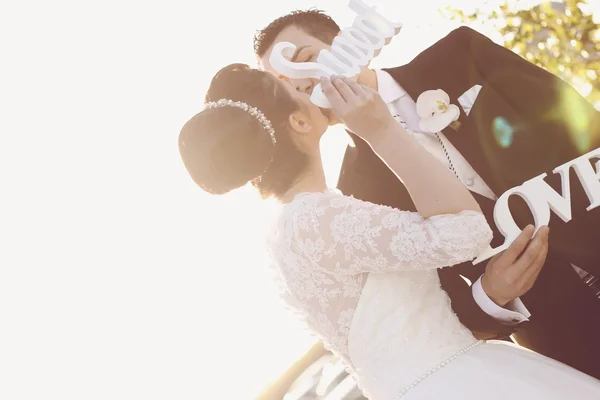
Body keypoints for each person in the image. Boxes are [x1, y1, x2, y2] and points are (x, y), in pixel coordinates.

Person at [178, 64, 600, 399]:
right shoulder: (314, 220)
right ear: (300, 124)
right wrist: (380, 129)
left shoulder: (287, 229)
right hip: (461, 383)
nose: (311, 88)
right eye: (298, 92)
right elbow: (464, 231)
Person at [253, 9, 600, 378]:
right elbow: (442, 309)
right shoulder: (356, 195)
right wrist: (492, 294)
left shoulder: (459, 54)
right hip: (565, 338)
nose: (300, 82)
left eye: (305, 59)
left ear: (344, 42)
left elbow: (577, 120)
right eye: (283, 82)